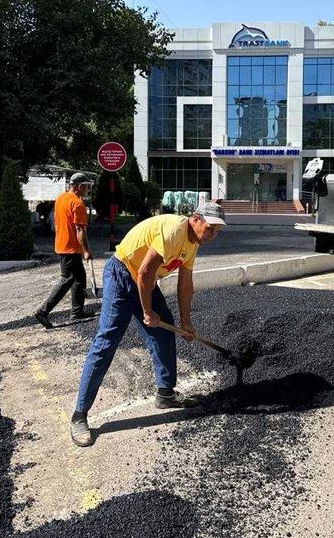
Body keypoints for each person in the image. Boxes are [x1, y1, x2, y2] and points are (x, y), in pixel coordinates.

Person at [69, 201, 227, 447]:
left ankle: (166, 394)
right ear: (196, 219)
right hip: (122, 274)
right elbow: (144, 271)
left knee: (164, 333)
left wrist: (186, 322)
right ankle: (79, 415)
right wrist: (147, 311)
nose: (212, 236)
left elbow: (185, 284)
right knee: (107, 341)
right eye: (210, 228)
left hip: (145, 282)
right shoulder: (174, 229)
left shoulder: (193, 242)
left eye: (217, 232)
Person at [34, 174, 95, 327]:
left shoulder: (61, 199)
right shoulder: (78, 203)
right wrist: (86, 250)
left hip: (62, 245)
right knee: (67, 279)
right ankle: (43, 311)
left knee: (79, 278)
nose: (88, 189)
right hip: (70, 248)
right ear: (79, 186)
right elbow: (80, 230)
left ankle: (77, 312)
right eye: (87, 186)